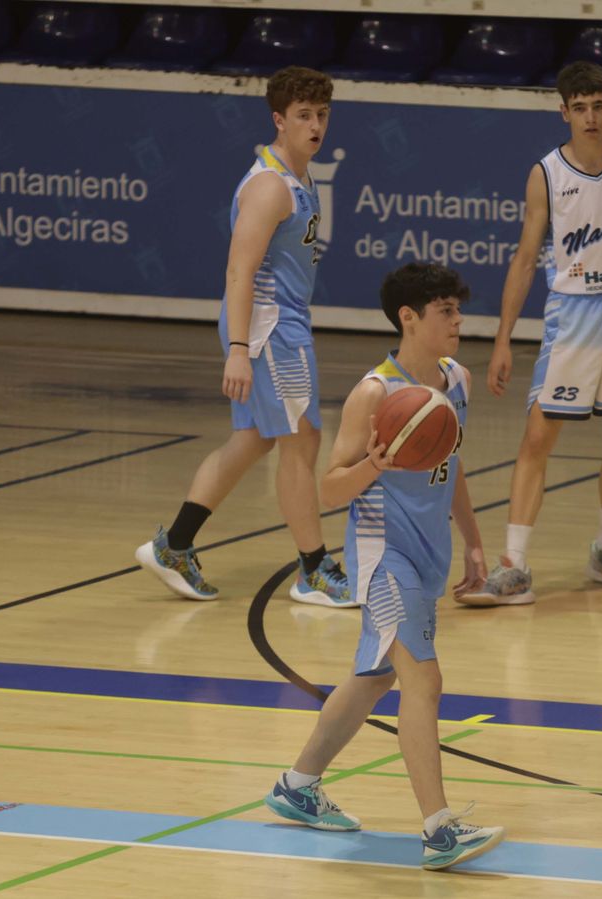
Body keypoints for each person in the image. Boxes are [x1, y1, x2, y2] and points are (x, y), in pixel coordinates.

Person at [262, 262, 503, 871]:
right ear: (409, 318)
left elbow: (452, 466)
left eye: (458, 309)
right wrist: (375, 464)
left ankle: (297, 785)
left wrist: (474, 542)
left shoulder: (457, 380)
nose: (458, 321)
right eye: (446, 311)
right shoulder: (375, 393)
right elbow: (329, 489)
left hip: (429, 554)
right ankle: (439, 830)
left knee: (374, 677)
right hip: (383, 557)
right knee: (424, 681)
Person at [458, 60, 602, 607]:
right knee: (539, 436)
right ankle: (514, 566)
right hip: (574, 313)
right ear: (563, 112)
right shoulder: (546, 173)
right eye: (579, 108)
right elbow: (525, 258)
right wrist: (504, 339)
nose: (590, 117)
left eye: (598, 106)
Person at [134, 66, 350, 609]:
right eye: (303, 115)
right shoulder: (270, 186)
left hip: (279, 322)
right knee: (302, 441)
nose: (315, 125)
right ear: (279, 120)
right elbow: (239, 271)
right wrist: (237, 350)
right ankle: (314, 570)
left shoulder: (301, 176)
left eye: (322, 115)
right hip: (269, 326)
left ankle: (174, 546)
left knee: (253, 439)